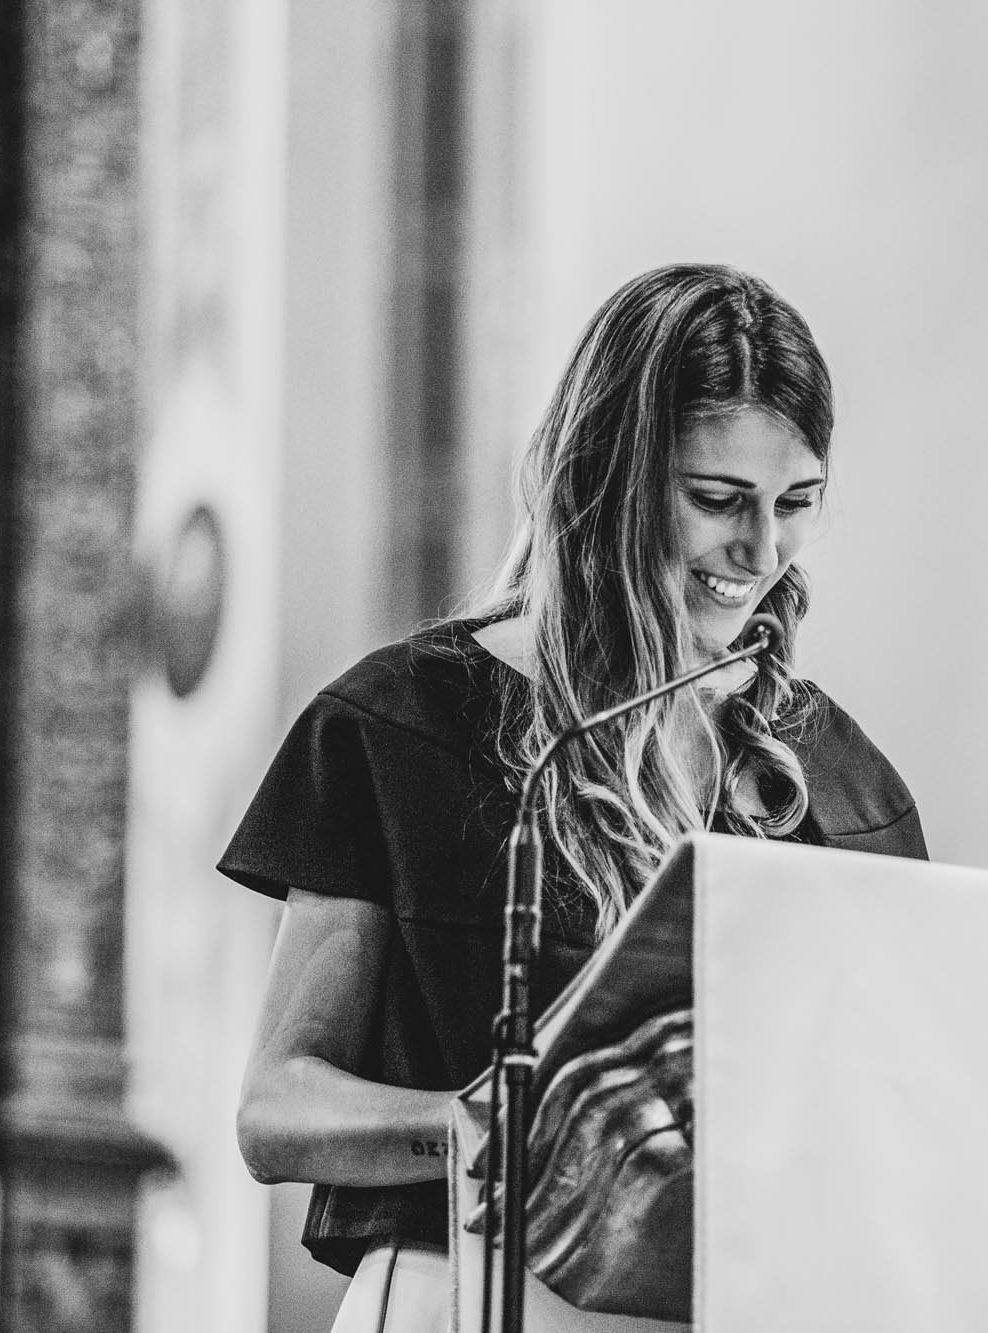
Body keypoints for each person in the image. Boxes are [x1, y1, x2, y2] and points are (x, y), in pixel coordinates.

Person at [222, 263, 928, 1327]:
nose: (760, 551)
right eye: (716, 500)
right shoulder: (403, 725)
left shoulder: (837, 774)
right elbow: (276, 1108)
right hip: (464, 1285)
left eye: (796, 504)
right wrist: (470, 1126)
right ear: (607, 478)